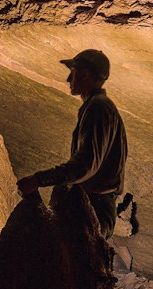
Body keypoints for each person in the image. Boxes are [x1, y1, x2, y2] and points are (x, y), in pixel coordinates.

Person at [17, 48, 127, 239]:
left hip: (95, 207)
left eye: (73, 72)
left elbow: (85, 165)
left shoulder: (98, 107)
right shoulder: (99, 106)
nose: (68, 79)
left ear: (84, 74)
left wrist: (39, 180)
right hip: (95, 204)